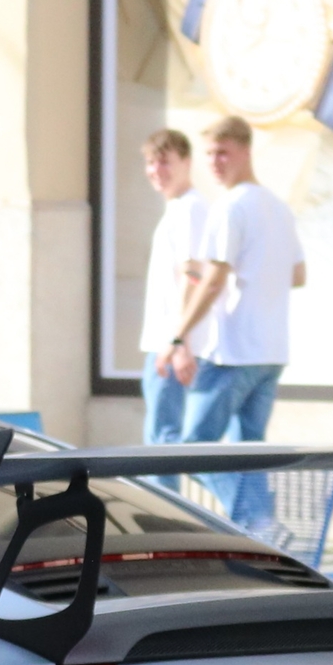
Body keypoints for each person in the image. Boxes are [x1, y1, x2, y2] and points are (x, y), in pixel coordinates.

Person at [162, 116, 305, 530]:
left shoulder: (231, 206)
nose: (215, 162)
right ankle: (265, 531)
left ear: (246, 151)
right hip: (271, 351)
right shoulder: (277, 207)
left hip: (234, 350)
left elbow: (214, 281)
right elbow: (297, 274)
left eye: (223, 152)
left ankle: (256, 522)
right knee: (249, 452)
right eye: (208, 154)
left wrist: (178, 335)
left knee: (191, 448)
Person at [138, 129, 210, 445]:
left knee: (163, 444)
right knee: (162, 441)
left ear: (187, 162)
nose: (156, 170)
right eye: (151, 162)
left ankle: (245, 495)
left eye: (164, 162)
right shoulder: (179, 208)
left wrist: (180, 342)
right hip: (167, 342)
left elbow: (193, 277)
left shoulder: (191, 209)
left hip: (173, 343)